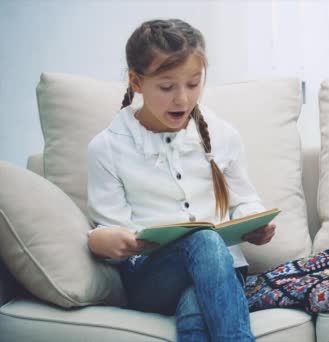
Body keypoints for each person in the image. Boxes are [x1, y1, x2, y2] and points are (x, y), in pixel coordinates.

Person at [86, 18, 275, 342]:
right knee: (203, 239)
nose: (183, 100)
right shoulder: (108, 147)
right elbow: (110, 227)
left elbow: (245, 200)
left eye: (193, 83)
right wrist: (106, 240)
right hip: (152, 279)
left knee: (195, 309)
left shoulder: (223, 135)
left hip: (224, 273)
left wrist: (253, 224)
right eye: (166, 86)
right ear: (136, 81)